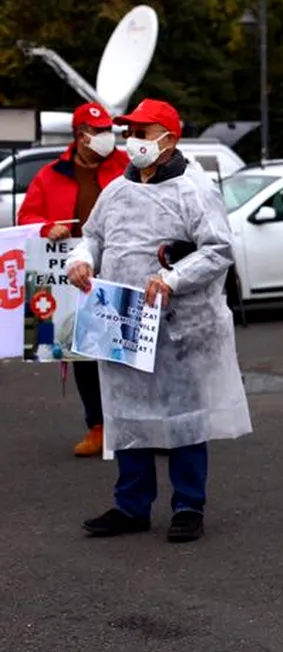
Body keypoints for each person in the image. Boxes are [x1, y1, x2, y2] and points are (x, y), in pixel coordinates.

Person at [66, 99, 253, 543]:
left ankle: (188, 506)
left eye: (143, 133)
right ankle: (131, 505)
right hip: (122, 317)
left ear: (170, 138)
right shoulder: (117, 190)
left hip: (178, 326)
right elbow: (93, 235)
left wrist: (172, 278)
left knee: (183, 415)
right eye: (130, 132)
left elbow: (218, 250)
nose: (133, 142)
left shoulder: (194, 190)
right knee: (126, 413)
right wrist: (81, 258)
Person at [18, 102, 129, 457]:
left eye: (108, 131)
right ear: (80, 137)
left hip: (120, 267)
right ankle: (97, 427)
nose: (106, 138)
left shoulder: (125, 167)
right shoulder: (51, 174)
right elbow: (28, 216)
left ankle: (137, 426)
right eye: (98, 132)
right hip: (73, 276)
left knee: (128, 350)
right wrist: (49, 228)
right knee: (82, 352)